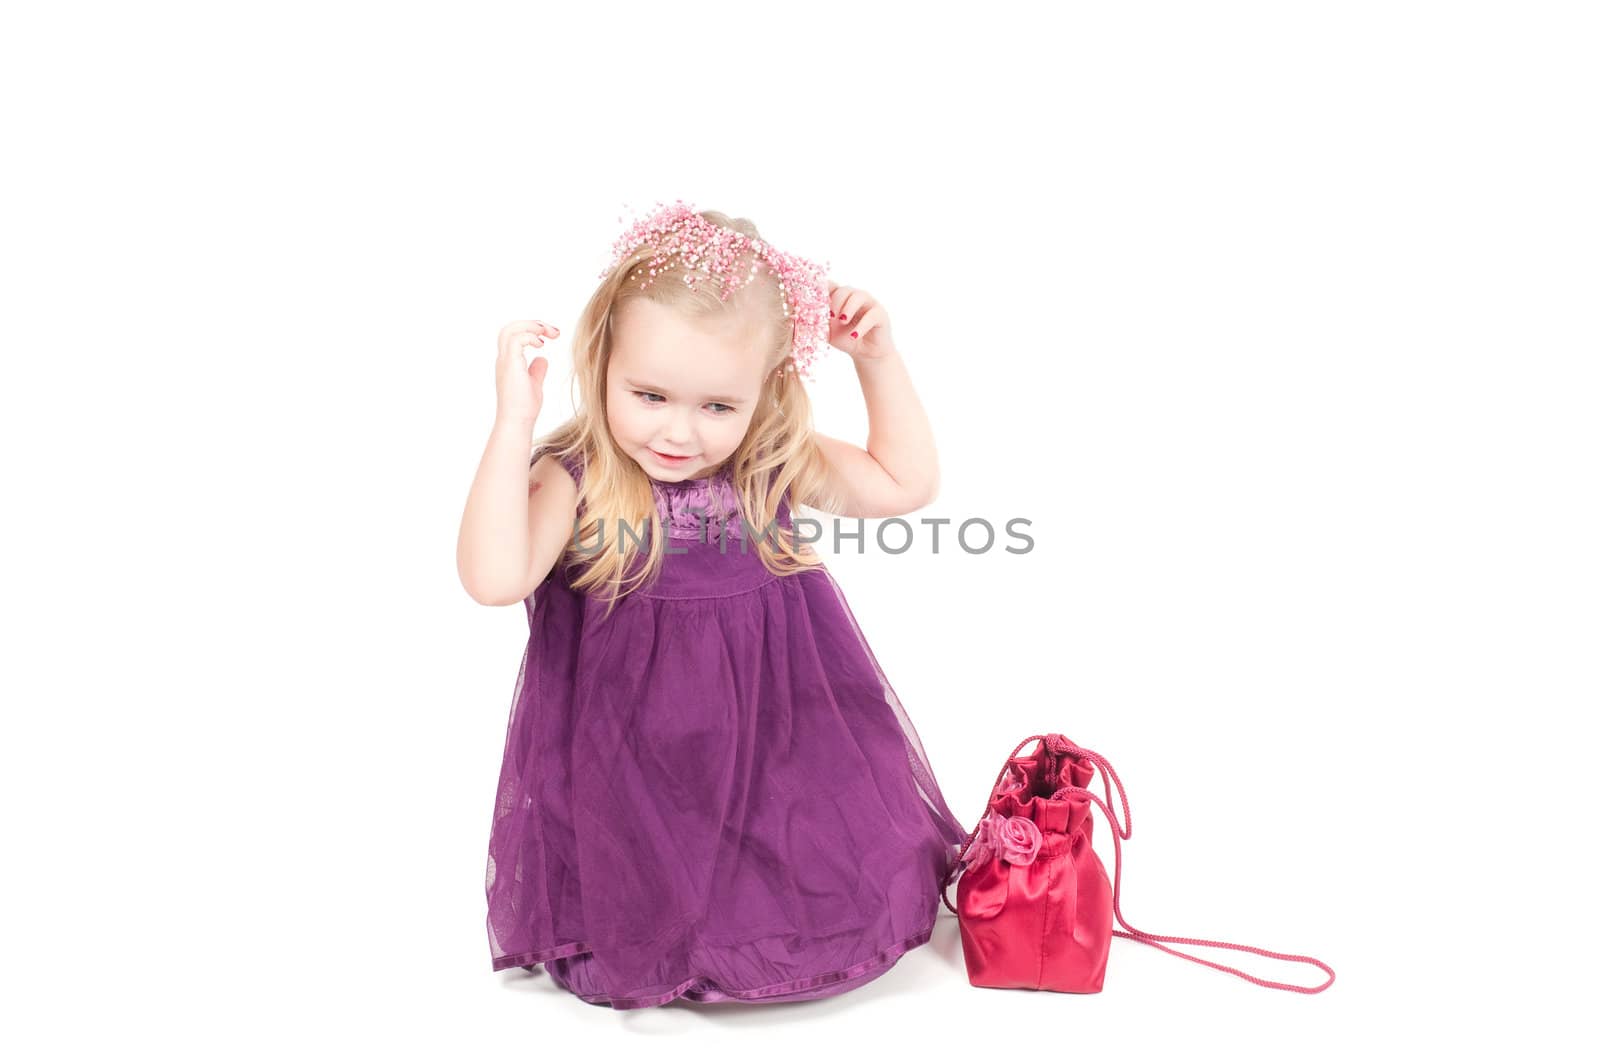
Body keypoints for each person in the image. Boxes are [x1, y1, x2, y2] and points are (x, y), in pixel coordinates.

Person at [457, 200, 968, 1009]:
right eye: (650, 394)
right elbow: (493, 577)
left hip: (776, 746)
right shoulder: (581, 478)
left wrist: (879, 361)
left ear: (762, 392)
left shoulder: (767, 462)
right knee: (665, 900)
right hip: (637, 772)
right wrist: (513, 423)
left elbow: (905, 484)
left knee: (817, 881)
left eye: (717, 406)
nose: (680, 432)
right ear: (601, 362)